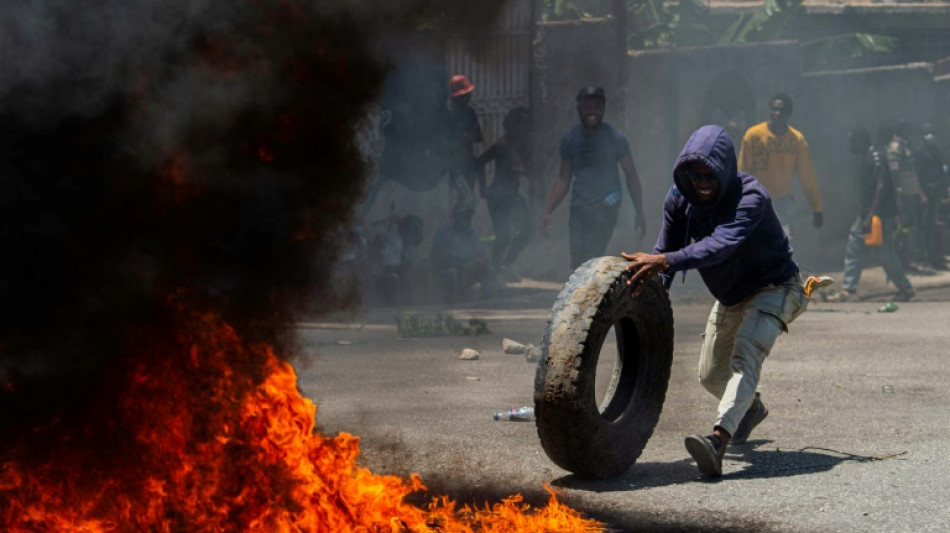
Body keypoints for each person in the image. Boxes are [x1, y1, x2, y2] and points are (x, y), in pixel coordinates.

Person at [623, 125, 809, 477]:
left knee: (745, 357)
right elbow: (665, 251)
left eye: (710, 175)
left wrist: (665, 261)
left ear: (725, 169)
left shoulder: (751, 197)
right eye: (694, 175)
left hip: (775, 287)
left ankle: (717, 441)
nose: (702, 183)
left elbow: (719, 246)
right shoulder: (680, 198)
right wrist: (644, 303)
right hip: (731, 296)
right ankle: (749, 409)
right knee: (710, 376)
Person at [540, 86, 646, 270]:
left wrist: (639, 212)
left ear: (603, 109)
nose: (592, 112)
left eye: (597, 107)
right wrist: (548, 210)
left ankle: (592, 287)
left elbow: (631, 174)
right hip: (579, 207)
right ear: (579, 109)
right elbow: (564, 178)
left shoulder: (615, 138)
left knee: (594, 256)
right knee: (577, 260)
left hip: (606, 206)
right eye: (587, 107)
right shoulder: (570, 139)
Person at [826, 127, 915, 303]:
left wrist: (869, 215)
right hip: (872, 214)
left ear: (861, 141)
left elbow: (881, 186)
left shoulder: (874, 157)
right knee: (859, 247)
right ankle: (849, 289)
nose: (850, 145)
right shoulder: (870, 155)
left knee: (884, 252)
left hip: (878, 215)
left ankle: (904, 288)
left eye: (853, 141)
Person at [738, 93, 822, 239]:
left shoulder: (796, 140)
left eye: (782, 110)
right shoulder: (753, 136)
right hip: (757, 200)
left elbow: (807, 176)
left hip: (783, 201)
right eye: (774, 109)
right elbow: (742, 172)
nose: (777, 113)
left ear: (789, 113)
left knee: (784, 242)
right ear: (769, 110)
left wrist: (816, 208)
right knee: (757, 243)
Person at [476, 106, 533, 281]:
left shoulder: (521, 146)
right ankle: (493, 273)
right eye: (522, 123)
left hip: (513, 196)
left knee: (527, 230)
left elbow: (527, 170)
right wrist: (483, 189)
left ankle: (505, 265)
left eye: (527, 123)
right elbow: (480, 162)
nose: (526, 128)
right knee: (503, 236)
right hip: (498, 196)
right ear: (512, 125)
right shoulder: (502, 145)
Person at [430, 204, 497, 303]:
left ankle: (488, 301)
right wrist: (458, 265)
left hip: (471, 271)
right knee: (451, 274)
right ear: (455, 217)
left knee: (490, 270)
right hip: (452, 271)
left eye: (468, 216)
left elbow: (482, 254)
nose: (466, 219)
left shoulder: (473, 234)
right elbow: (438, 258)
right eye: (463, 216)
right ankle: (452, 303)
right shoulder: (444, 234)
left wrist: (479, 263)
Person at [887, 121, 928, 271]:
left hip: (910, 193)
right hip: (903, 194)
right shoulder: (895, 147)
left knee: (907, 227)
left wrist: (919, 193)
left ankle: (903, 258)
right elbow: (894, 172)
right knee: (901, 227)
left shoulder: (905, 146)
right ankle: (898, 259)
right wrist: (898, 191)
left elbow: (912, 173)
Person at [445, 74, 484, 212]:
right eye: (465, 95)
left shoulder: (470, 113)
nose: (469, 97)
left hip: (468, 161)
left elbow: (479, 136)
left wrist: (468, 137)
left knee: (468, 201)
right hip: (456, 163)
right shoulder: (449, 116)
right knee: (466, 200)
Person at [915, 123, 949, 270]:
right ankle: (921, 257)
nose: (929, 136)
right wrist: (921, 194)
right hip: (925, 193)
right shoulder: (920, 152)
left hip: (936, 193)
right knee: (921, 226)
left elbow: (941, 171)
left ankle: (933, 256)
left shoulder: (936, 150)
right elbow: (916, 176)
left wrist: (945, 190)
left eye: (931, 132)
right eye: (926, 133)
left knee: (932, 225)